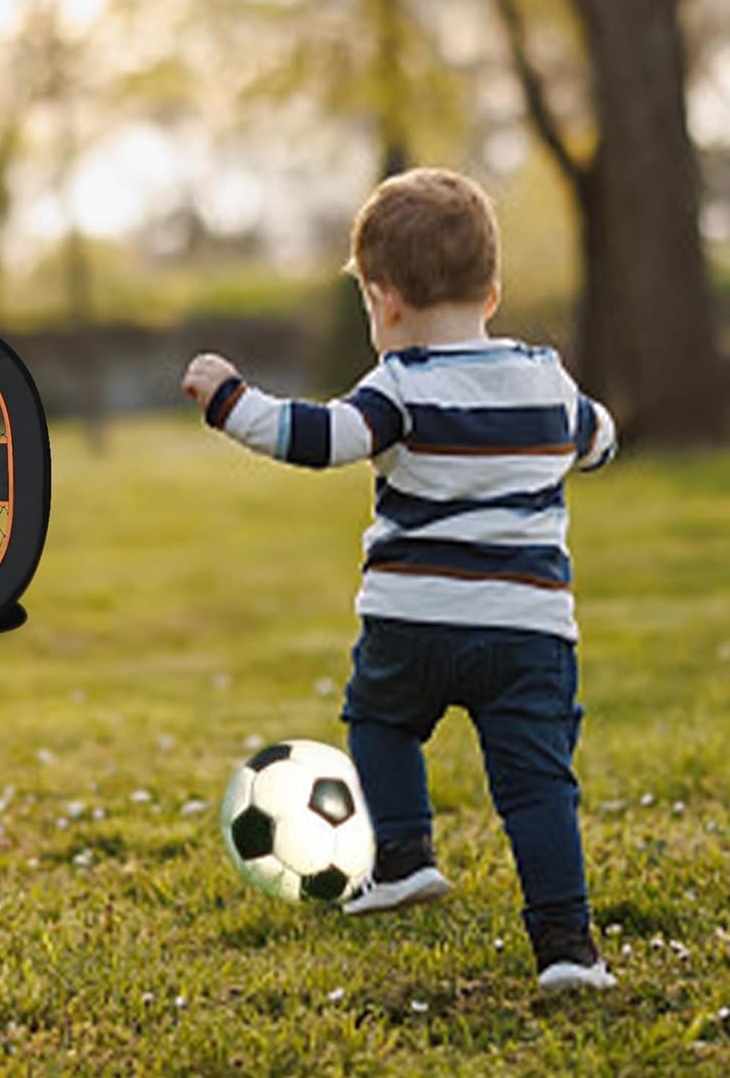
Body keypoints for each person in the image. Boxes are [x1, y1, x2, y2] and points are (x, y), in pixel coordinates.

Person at [182, 167, 618, 992]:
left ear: (383, 303)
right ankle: (567, 948)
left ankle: (407, 854)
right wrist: (586, 444)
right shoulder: (546, 377)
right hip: (529, 636)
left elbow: (314, 437)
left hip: (411, 625)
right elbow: (598, 438)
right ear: (492, 294)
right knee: (536, 790)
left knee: (378, 725)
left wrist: (229, 400)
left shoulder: (399, 387)